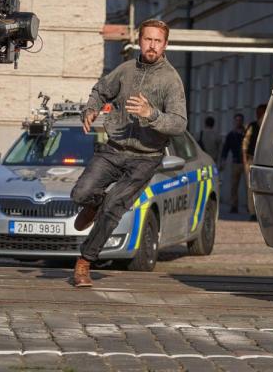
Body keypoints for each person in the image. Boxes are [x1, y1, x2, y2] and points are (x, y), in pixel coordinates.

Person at [69, 19, 187, 288]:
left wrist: (151, 114)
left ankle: (84, 262)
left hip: (145, 157)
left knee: (114, 207)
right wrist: (90, 109)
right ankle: (94, 203)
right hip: (113, 149)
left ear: (165, 45)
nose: (152, 45)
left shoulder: (171, 80)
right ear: (140, 40)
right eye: (148, 39)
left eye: (158, 41)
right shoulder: (125, 71)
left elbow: (179, 124)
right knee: (80, 194)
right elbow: (100, 90)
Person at [241, 103, 267, 221]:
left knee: (264, 187)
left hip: (264, 161)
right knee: (251, 187)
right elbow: (245, 143)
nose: (258, 115)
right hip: (252, 160)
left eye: (260, 113)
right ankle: (253, 212)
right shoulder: (252, 126)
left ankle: (263, 212)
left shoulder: (269, 126)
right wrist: (245, 159)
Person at [220, 113, 246, 214]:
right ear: (234, 121)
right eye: (237, 120)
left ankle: (250, 207)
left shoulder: (246, 133)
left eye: (240, 120)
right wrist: (223, 160)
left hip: (245, 163)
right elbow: (226, 148)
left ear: (242, 121)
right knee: (234, 186)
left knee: (248, 187)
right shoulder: (231, 135)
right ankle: (234, 206)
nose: (238, 122)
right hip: (235, 162)